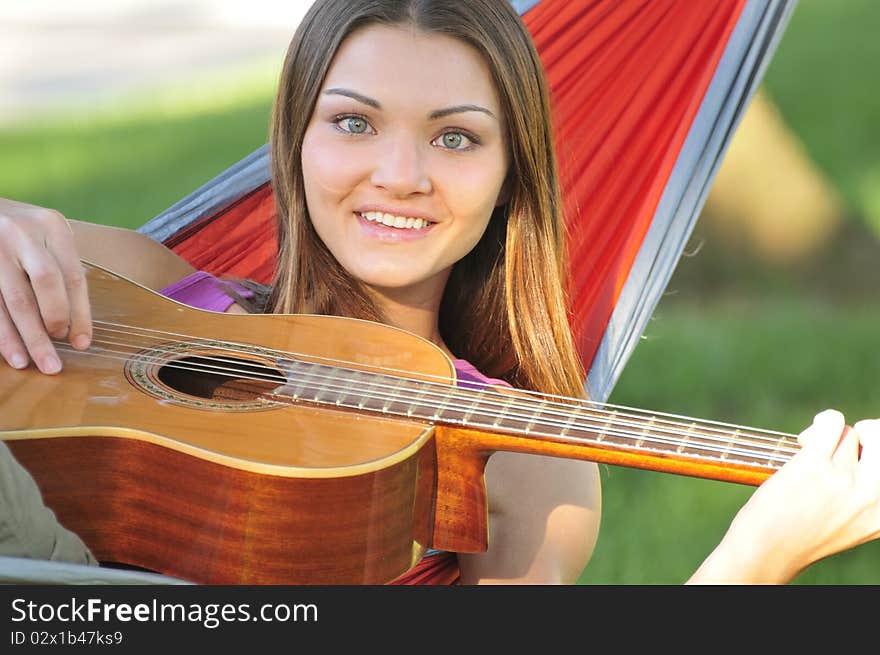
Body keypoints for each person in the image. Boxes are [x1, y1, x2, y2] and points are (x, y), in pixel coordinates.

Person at [0, 0, 878, 585]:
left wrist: (757, 557)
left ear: (509, 175)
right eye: (354, 123)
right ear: (294, 145)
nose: (400, 175)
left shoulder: (522, 455)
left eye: (455, 139)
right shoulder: (150, 284)